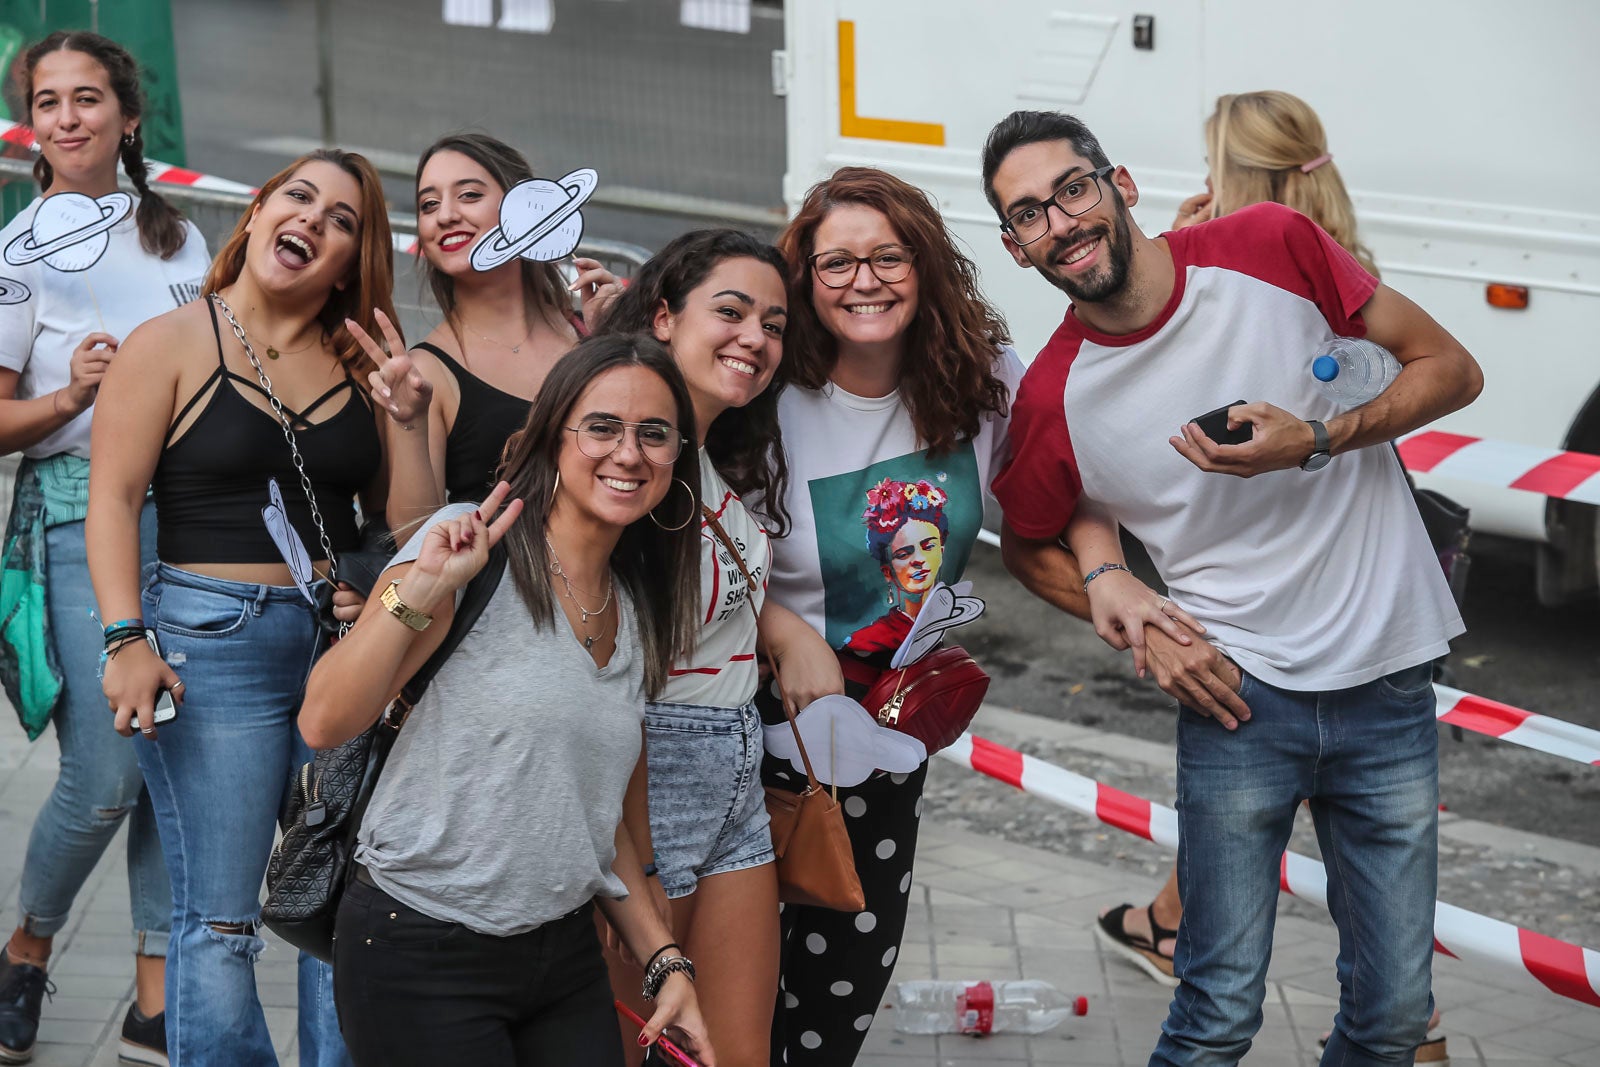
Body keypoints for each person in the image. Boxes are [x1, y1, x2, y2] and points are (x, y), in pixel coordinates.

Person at [982, 109, 1481, 1066]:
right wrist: (1116, 597)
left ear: (1119, 184)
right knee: (1215, 1015)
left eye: (1073, 189)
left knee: (1391, 1017)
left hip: (1388, 683)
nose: (1062, 221)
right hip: (1236, 699)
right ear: (1015, 247)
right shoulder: (1056, 393)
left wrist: (1324, 435)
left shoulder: (1269, 246)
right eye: (1031, 214)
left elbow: (1453, 369)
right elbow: (1026, 542)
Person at [297, 335, 715, 1067]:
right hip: (419, 944)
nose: (629, 453)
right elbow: (324, 717)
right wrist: (417, 594)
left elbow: (592, 809)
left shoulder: (639, 605)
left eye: (655, 433)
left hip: (559, 954)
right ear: (554, 437)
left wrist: (665, 961)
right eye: (603, 427)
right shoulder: (462, 548)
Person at [86, 148, 397, 1066]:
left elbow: (393, 514)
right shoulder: (171, 342)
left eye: (342, 219)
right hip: (208, 642)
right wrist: (123, 637)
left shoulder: (361, 362)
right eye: (299, 198)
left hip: (338, 647)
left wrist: (367, 577)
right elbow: (114, 498)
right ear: (258, 212)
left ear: (353, 259)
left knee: (335, 904)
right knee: (222, 918)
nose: (313, 220)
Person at [758, 166, 1022, 1065]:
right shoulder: (767, 396)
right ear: (803, 278)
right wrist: (782, 629)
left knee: (838, 1003)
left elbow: (1070, 483)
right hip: (748, 732)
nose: (863, 280)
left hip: (884, 741)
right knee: (733, 989)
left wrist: (1109, 578)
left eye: (888, 256)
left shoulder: (981, 383)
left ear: (927, 266)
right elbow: (686, 541)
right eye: (835, 263)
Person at [0, 31, 209, 1066]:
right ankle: (28, 945)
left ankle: (152, 997)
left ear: (130, 120)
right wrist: (70, 396)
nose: (69, 116)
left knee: (172, 750)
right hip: (77, 505)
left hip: (192, 509)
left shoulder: (185, 240)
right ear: (31, 123)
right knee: (106, 771)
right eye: (48, 101)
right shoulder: (17, 246)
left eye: (89, 98)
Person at [594, 229, 791, 1066]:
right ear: (665, 316)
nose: (756, 337)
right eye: (733, 311)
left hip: (735, 773)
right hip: (651, 770)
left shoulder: (699, 454)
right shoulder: (628, 454)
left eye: (775, 324)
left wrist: (784, 628)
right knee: (625, 1050)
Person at [359, 132, 621, 530]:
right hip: (502, 585)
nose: (445, 215)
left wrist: (612, 347)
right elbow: (413, 536)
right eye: (429, 204)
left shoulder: (589, 330)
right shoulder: (425, 371)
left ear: (526, 205)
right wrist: (408, 422)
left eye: (468, 195)